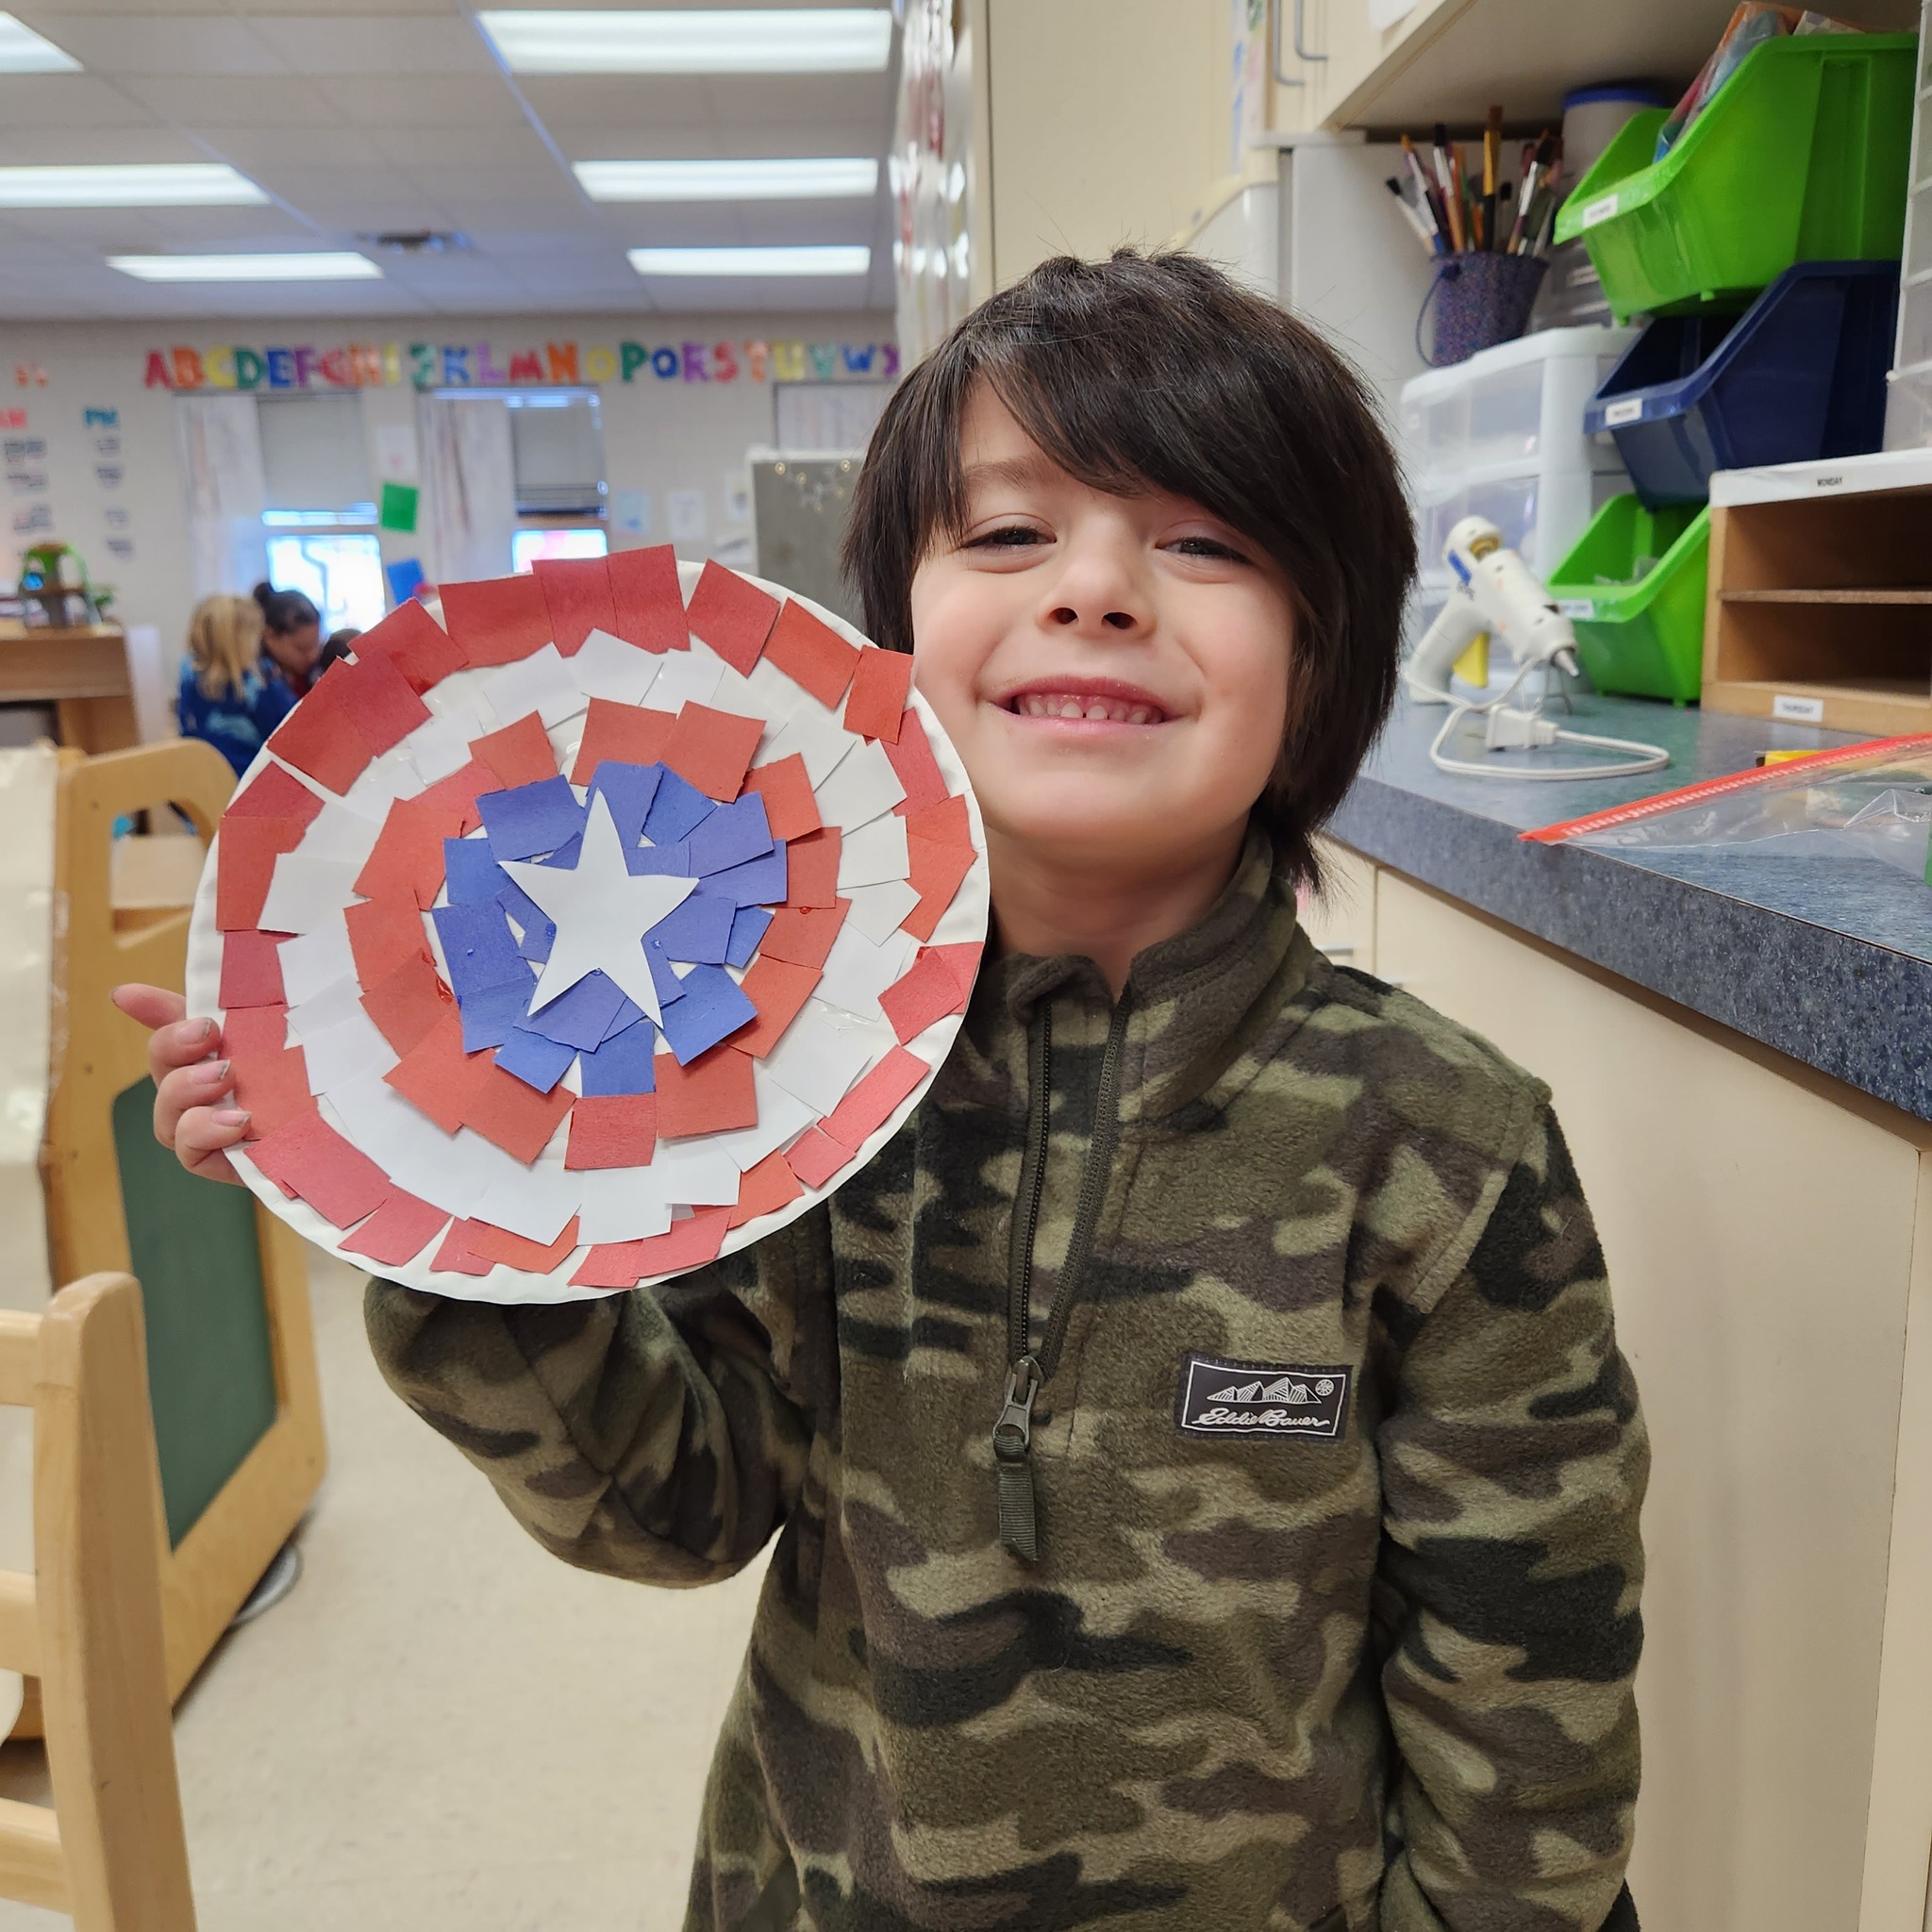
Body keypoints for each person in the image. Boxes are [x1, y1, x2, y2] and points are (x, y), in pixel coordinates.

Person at [116, 251, 1647, 1932]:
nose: (1097, 586)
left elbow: (1529, 1684)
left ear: (1321, 660)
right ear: (893, 643)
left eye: (1203, 539)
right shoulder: (781, 1068)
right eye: (1007, 532)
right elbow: (671, 1502)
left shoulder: (1446, 1142)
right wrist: (438, 1207)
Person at [174, 591, 298, 779]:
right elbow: (294, 735)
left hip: (202, 787)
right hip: (252, 786)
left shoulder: (189, 678)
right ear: (244, 640)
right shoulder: (259, 685)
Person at [253, 580, 323, 698]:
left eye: (316, 646)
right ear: (269, 636)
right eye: (302, 649)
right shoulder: (260, 683)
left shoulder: (314, 675)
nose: (313, 656)